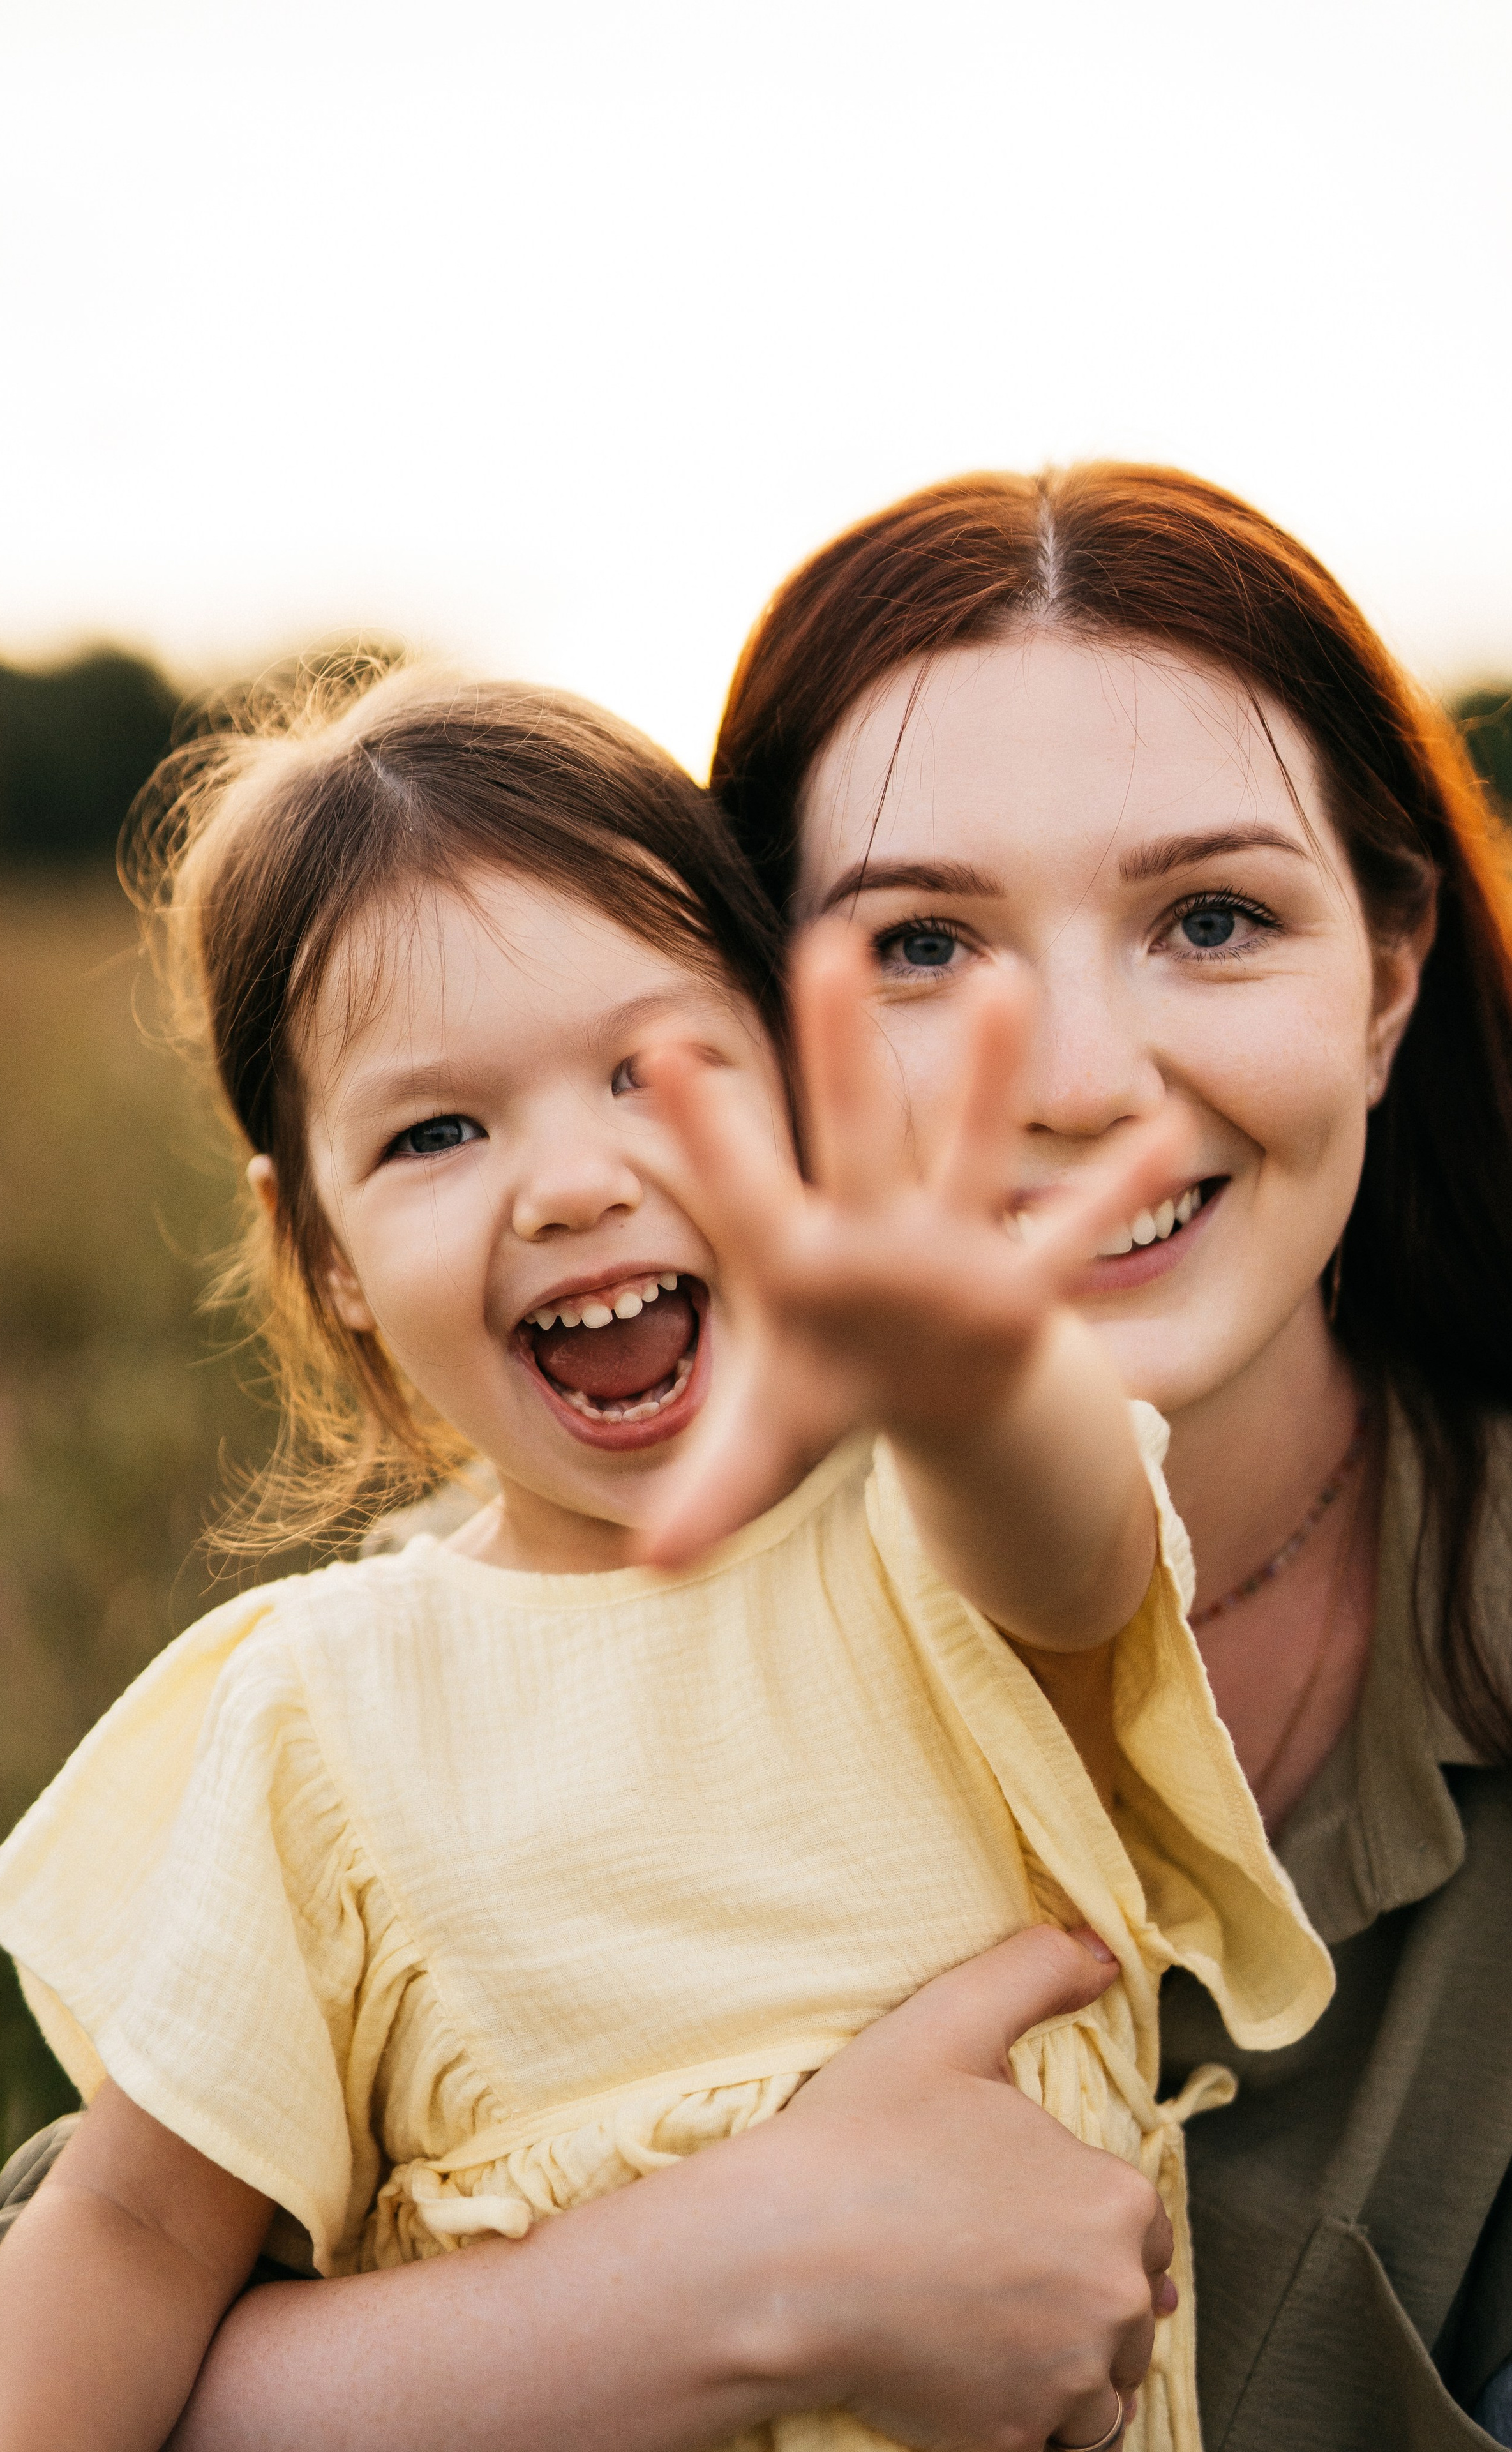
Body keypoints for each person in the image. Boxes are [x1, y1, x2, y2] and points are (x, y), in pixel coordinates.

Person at [0, 665, 1328, 2452]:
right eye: (436, 1132)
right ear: (326, 1249)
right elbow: (130, 2227)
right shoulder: (320, 1710)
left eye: (655, 1075)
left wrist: (965, 1360)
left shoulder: (928, 1527)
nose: (575, 1182)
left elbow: (1077, 1550)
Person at [705, 461, 1512, 2450]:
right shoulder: (555, 1613)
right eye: (921, 944)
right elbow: (53, 2351)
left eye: (1212, 918)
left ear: (1389, 973)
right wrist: (726, 2286)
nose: (1077, 1082)